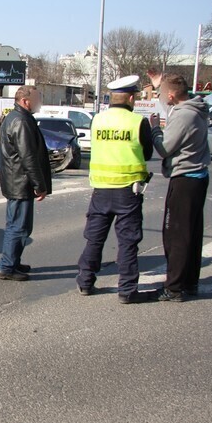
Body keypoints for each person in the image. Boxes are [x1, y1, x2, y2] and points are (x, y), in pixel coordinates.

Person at [75, 75, 154, 304]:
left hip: (100, 189)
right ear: (131, 98)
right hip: (128, 191)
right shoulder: (138, 122)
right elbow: (147, 153)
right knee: (128, 242)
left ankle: (85, 282)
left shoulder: (97, 120)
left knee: (94, 240)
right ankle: (127, 291)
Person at [147, 70, 211, 302]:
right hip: (197, 177)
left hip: (185, 179)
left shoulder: (184, 116)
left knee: (176, 235)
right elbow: (173, 110)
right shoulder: (194, 107)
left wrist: (154, 128)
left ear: (172, 95)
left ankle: (174, 288)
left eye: (163, 94)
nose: (162, 99)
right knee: (191, 233)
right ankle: (189, 282)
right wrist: (158, 86)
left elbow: (164, 148)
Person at [0, 86, 52, 281]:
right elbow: (28, 156)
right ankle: (7, 267)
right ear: (25, 101)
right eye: (36, 99)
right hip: (20, 182)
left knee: (19, 225)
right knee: (18, 227)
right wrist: (39, 185)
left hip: (18, 180)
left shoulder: (17, 117)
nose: (39, 103)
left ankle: (13, 262)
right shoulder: (20, 121)